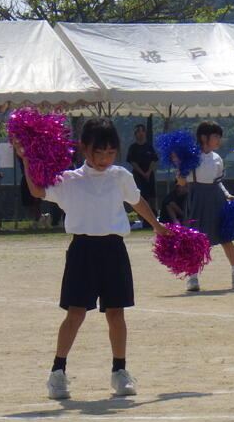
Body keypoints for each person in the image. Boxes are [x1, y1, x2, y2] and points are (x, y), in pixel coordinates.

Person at [18, 118, 169, 400]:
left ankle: (120, 371)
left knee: (116, 313)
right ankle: (57, 372)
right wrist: (26, 160)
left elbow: (136, 201)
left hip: (114, 250)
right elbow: (37, 190)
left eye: (110, 152)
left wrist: (157, 226)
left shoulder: (121, 176)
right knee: (75, 313)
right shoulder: (69, 179)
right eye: (98, 152)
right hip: (82, 252)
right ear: (84, 148)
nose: (104, 158)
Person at [181, 121, 234, 292]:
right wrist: (180, 167)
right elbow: (181, 182)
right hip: (196, 198)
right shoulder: (190, 156)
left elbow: (218, 182)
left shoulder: (217, 158)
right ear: (204, 137)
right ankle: (192, 277)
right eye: (216, 136)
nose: (219, 140)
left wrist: (227, 194)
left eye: (219, 136)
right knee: (194, 239)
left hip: (216, 198)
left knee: (225, 237)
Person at [126, 124, 159, 213]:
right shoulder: (133, 148)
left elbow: (154, 160)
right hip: (138, 176)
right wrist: (142, 173)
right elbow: (132, 162)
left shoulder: (149, 146)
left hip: (149, 175)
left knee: (152, 196)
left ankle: (154, 214)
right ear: (135, 134)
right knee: (140, 196)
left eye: (142, 131)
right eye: (138, 132)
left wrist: (148, 172)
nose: (141, 133)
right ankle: (141, 216)